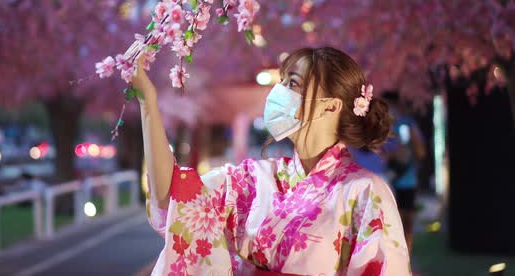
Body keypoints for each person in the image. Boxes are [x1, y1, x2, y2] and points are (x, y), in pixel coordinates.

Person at [134, 46, 410, 275]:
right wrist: (148, 103)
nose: (279, 92)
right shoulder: (252, 181)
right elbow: (175, 195)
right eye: (282, 82)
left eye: (293, 83)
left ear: (331, 105)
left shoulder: (365, 190)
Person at [381, 91, 426, 255]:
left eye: (389, 105)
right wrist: (391, 155)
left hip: (407, 181)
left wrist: (410, 149)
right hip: (385, 180)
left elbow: (421, 152)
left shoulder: (407, 124)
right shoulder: (380, 126)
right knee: (390, 223)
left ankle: (406, 257)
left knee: (406, 222)